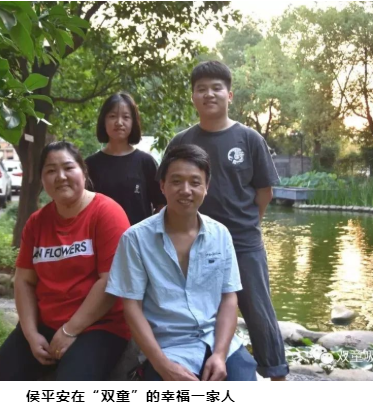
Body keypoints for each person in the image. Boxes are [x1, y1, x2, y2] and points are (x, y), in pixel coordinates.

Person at [164, 61, 288, 380]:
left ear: (229, 95)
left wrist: (247, 225)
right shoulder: (181, 142)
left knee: (258, 310)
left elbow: (264, 192)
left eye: (216, 88)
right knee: (195, 310)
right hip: (193, 244)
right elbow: (169, 189)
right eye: (201, 89)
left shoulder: (249, 138)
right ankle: (198, 367)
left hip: (243, 242)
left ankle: (276, 374)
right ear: (193, 96)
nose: (209, 94)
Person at [106, 144, 257, 381]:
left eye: (195, 182)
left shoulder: (220, 235)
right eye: (176, 181)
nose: (185, 190)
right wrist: (162, 365)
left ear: (206, 187)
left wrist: (219, 354)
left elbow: (229, 298)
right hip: (168, 348)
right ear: (162, 186)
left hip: (217, 342)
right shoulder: (135, 239)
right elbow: (131, 307)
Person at [0, 141, 131, 381]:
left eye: (68, 167)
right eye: (51, 170)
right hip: (46, 323)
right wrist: (31, 334)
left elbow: (110, 281)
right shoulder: (36, 222)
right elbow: (24, 281)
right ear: (42, 179)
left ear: (83, 171)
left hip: (99, 325)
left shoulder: (107, 213)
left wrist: (70, 330)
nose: (60, 177)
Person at [85, 92, 166, 225]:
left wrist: (150, 230)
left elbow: (161, 204)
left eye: (126, 117)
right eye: (112, 116)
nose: (119, 122)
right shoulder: (90, 165)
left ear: (133, 122)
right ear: (103, 121)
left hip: (139, 236)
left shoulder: (146, 162)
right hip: (100, 235)